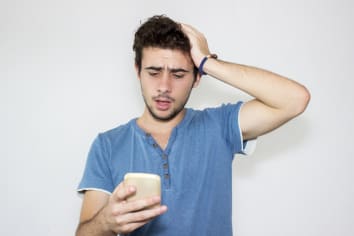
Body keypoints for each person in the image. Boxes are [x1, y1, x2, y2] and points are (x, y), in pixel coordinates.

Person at [75, 15, 310, 236]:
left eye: (178, 74)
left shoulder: (219, 126)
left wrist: (208, 63)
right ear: (138, 71)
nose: (164, 86)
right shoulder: (107, 145)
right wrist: (107, 221)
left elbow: (295, 100)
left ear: (197, 78)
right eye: (154, 72)